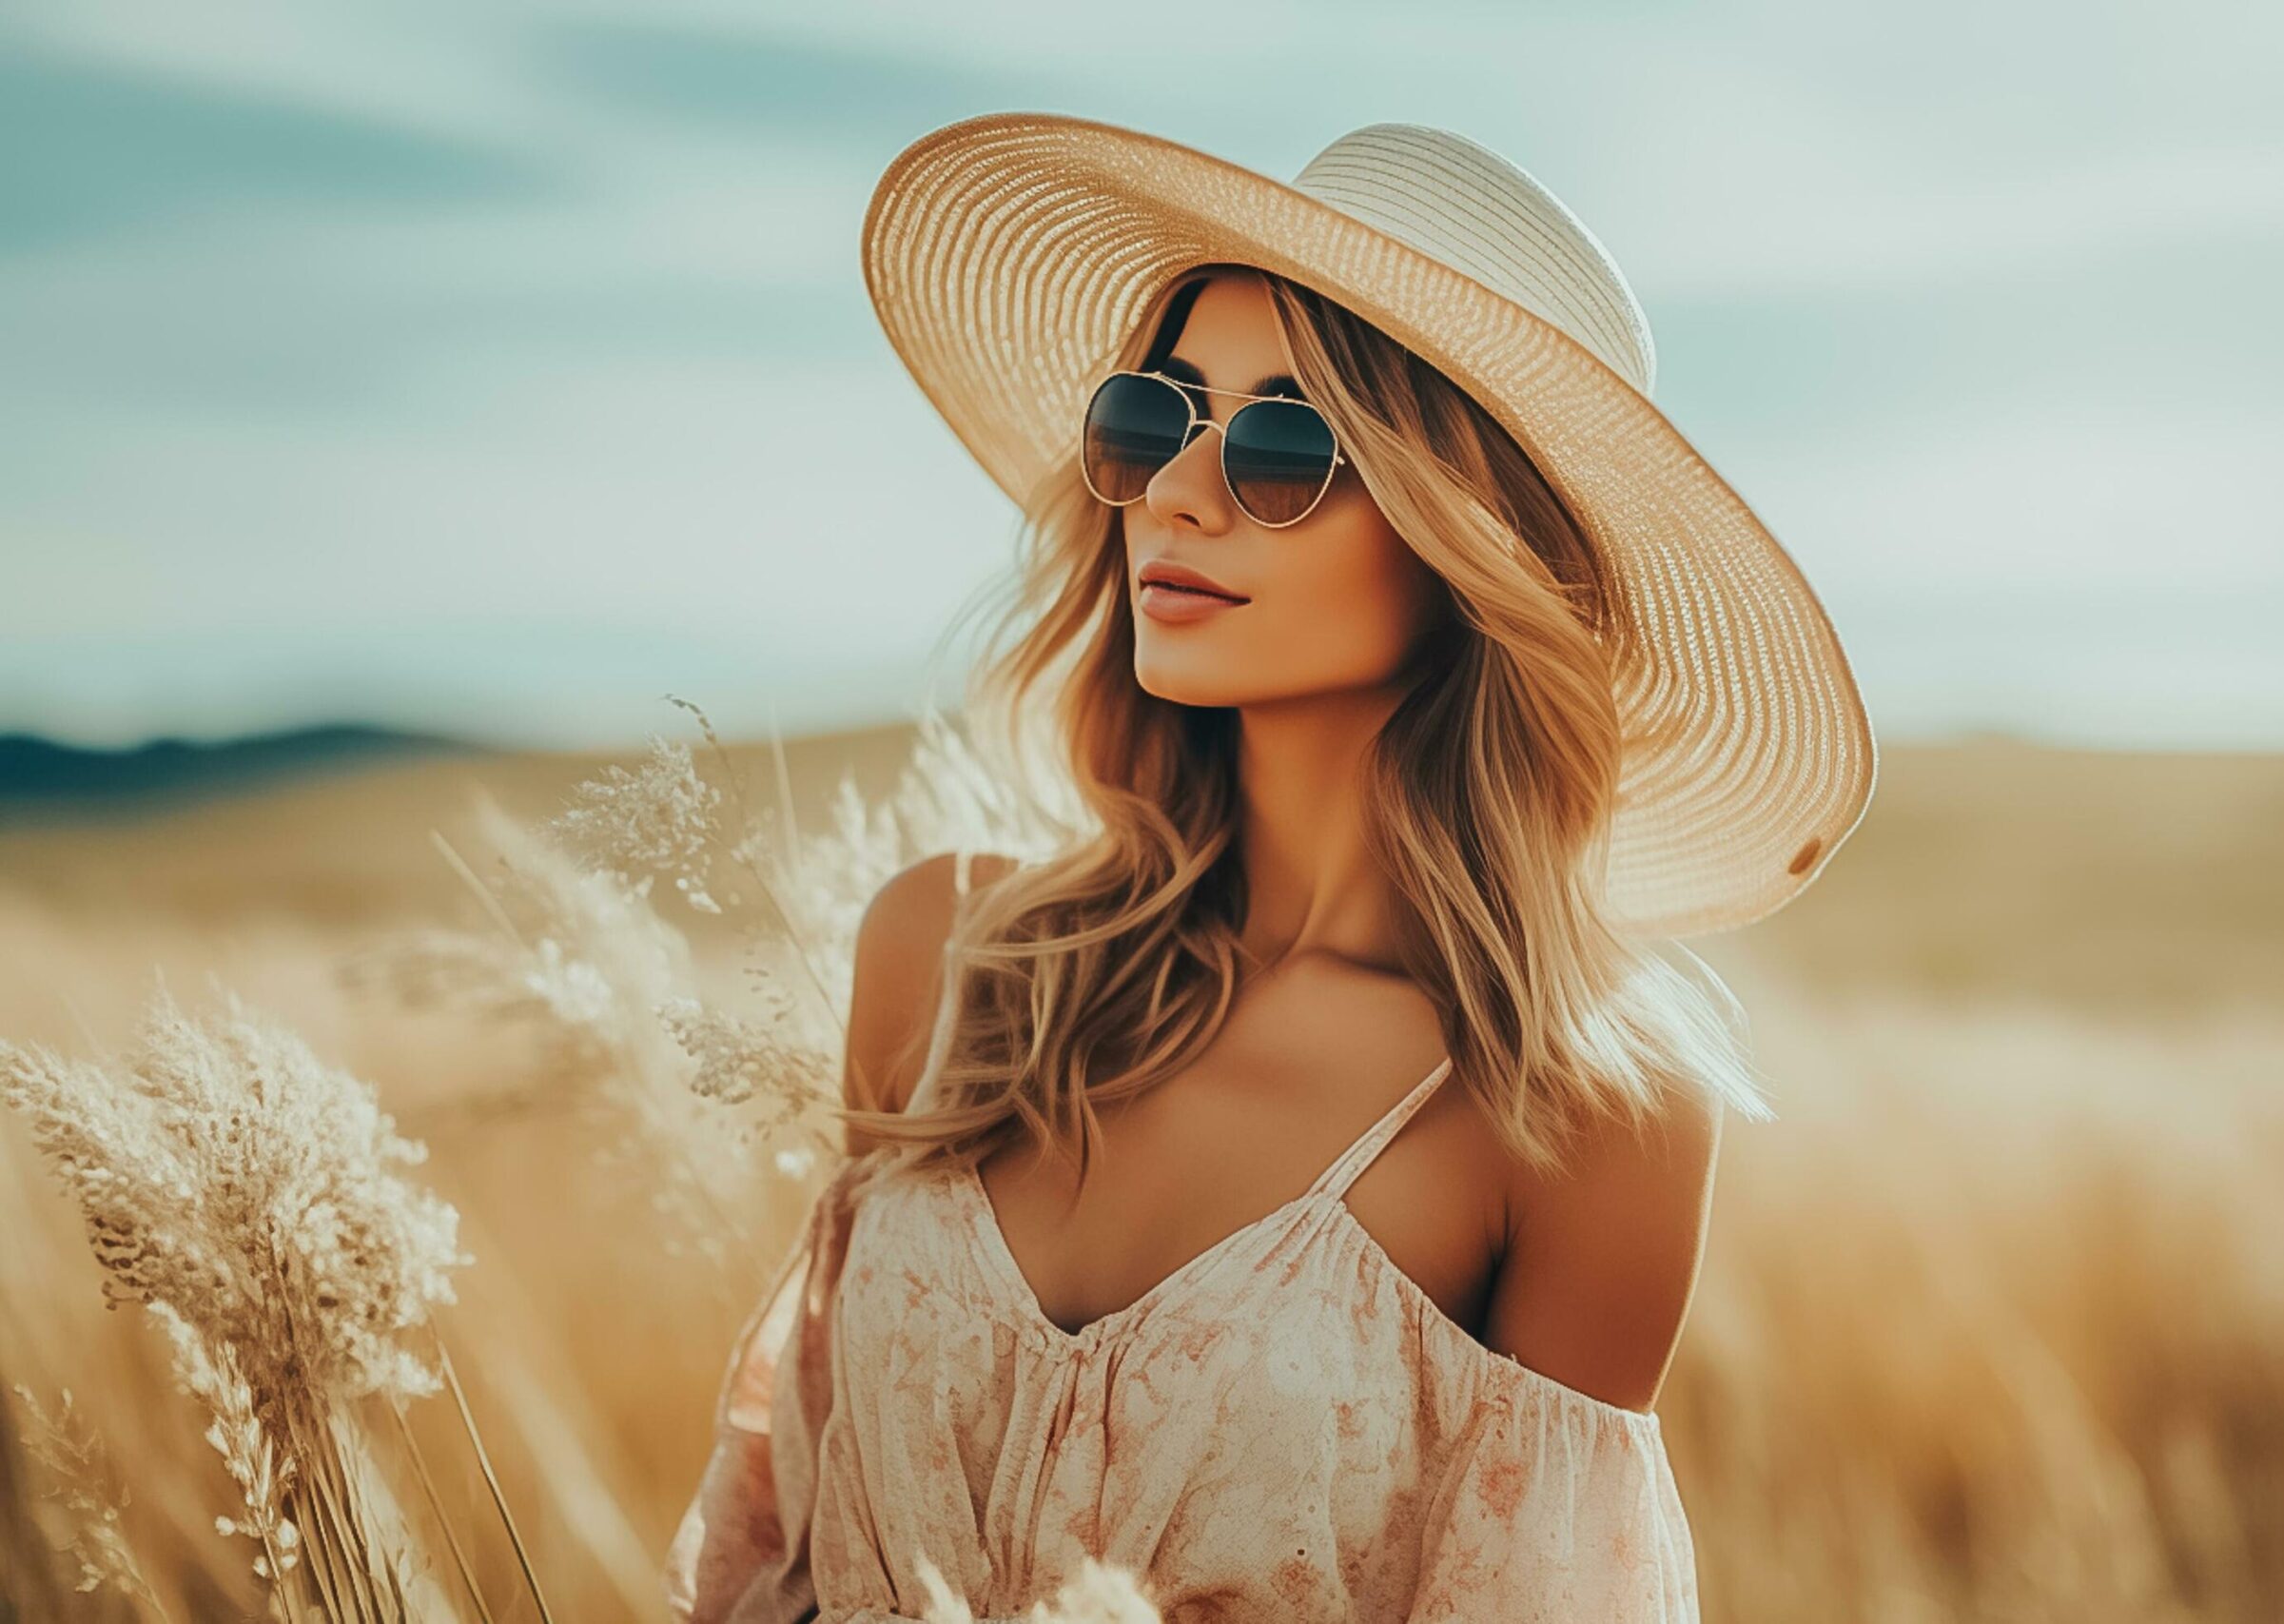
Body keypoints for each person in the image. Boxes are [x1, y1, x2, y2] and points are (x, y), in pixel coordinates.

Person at [664, 112, 1875, 1623]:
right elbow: (777, 1565)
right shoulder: (950, 956)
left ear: (1472, 544)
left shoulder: (1574, 1123)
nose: (1177, 490)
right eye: (1152, 415)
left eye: (1288, 445)